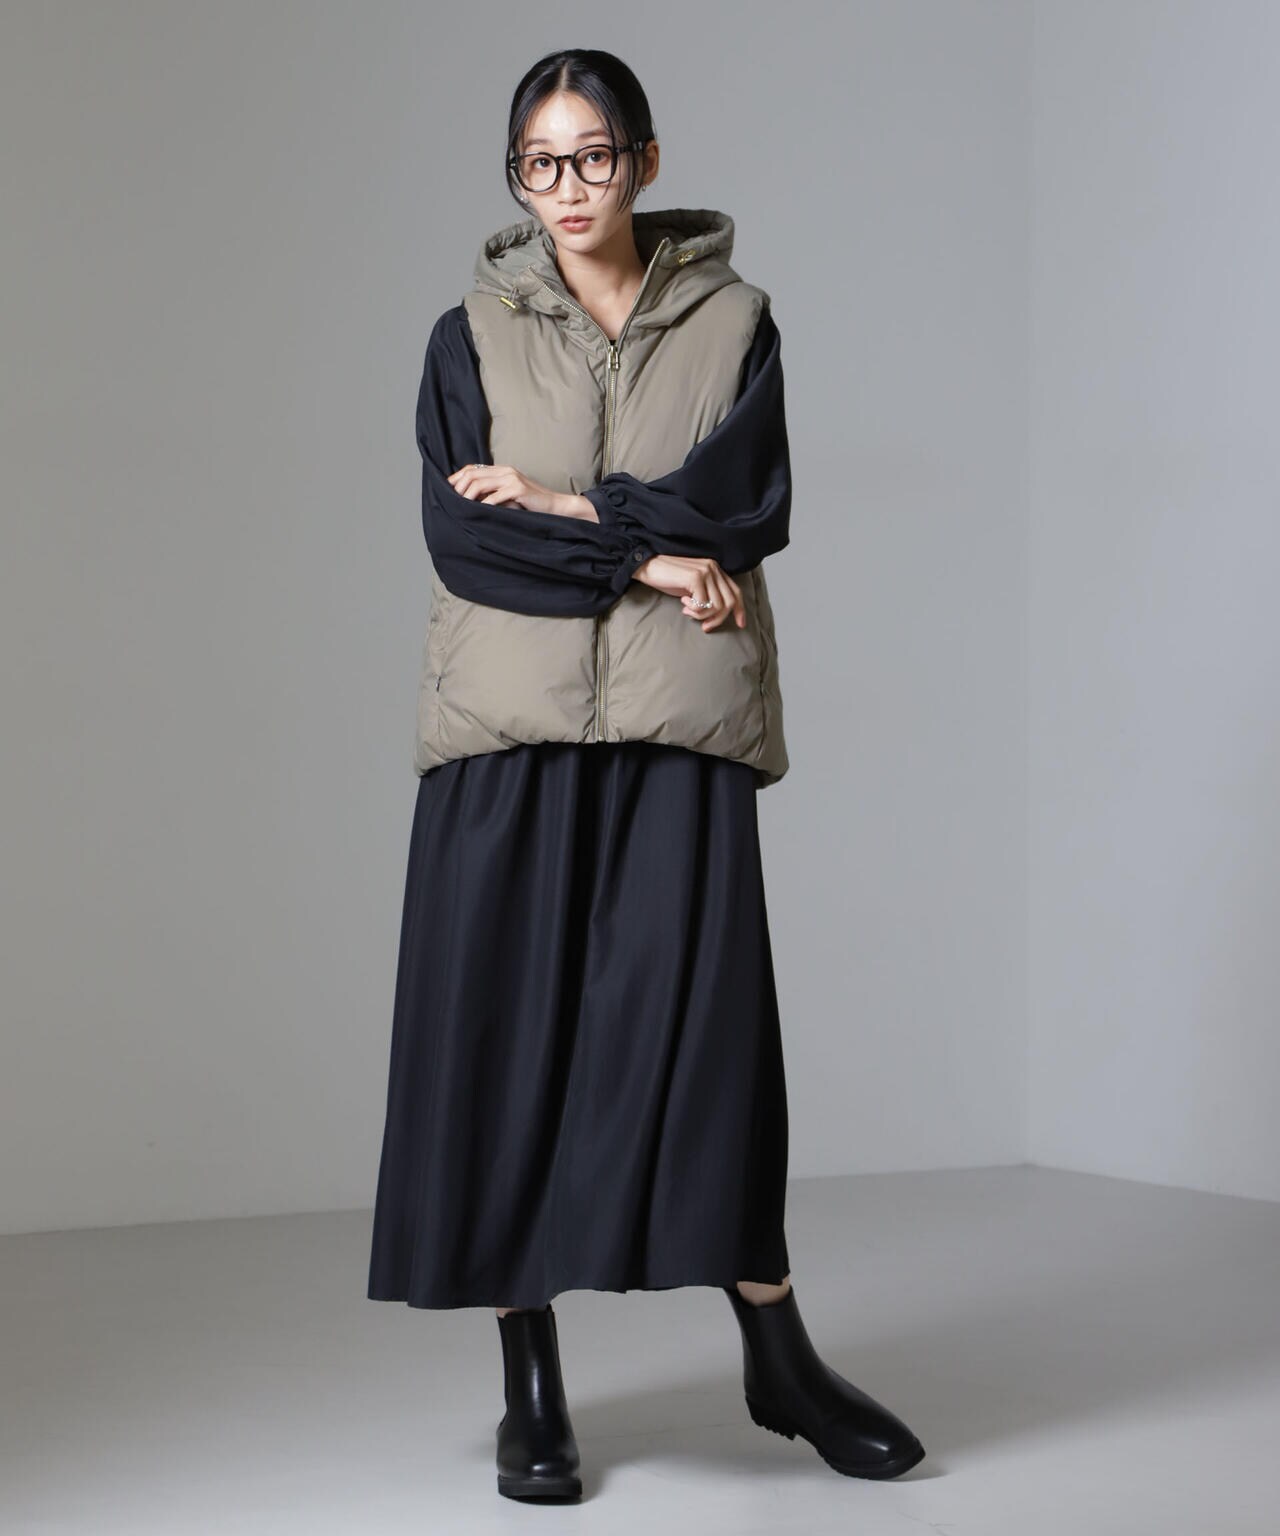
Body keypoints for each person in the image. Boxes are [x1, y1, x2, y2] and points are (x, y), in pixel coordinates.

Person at [366, 47, 926, 1500]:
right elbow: (464, 540)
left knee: (707, 1051)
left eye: (593, 156)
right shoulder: (466, 336)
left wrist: (569, 507)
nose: (567, 189)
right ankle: (530, 1382)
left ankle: (779, 1359)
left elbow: (743, 507)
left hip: (681, 724)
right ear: (517, 176)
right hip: (507, 733)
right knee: (507, 1047)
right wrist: (648, 556)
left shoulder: (735, 322)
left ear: (647, 161)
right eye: (538, 163)